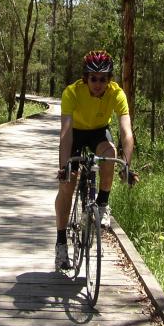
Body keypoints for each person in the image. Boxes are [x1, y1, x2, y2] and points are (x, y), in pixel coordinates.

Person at [54, 50, 138, 271]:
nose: (98, 84)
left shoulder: (117, 93)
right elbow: (65, 134)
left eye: (103, 79)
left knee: (110, 152)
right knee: (66, 187)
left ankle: (103, 203)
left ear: (109, 79)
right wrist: (64, 167)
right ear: (86, 78)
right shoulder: (72, 92)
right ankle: (61, 242)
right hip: (76, 133)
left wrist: (127, 166)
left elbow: (126, 132)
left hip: (99, 132)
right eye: (93, 79)